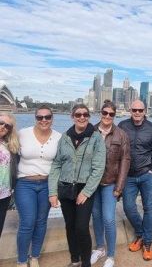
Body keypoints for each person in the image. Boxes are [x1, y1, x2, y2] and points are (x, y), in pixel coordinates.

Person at [48, 104, 106, 267]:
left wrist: (86, 191)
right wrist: (52, 192)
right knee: (70, 226)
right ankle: (75, 260)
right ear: (72, 116)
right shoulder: (65, 137)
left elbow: (98, 168)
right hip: (66, 186)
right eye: (78, 114)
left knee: (81, 227)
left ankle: (86, 263)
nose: (82, 117)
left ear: (89, 116)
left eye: (85, 114)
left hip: (84, 188)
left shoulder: (96, 138)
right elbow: (56, 165)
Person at [15, 105, 61, 267]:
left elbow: (61, 163)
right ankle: (21, 260)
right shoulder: (22, 134)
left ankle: (34, 256)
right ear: (35, 118)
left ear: (52, 118)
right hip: (25, 184)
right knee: (27, 222)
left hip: (47, 184)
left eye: (47, 117)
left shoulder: (59, 137)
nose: (44, 120)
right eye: (40, 117)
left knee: (41, 222)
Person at [118, 99, 152, 261]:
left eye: (140, 110)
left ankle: (147, 244)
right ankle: (142, 234)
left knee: (149, 208)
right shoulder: (122, 126)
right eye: (134, 110)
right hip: (128, 176)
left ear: (145, 111)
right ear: (130, 110)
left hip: (147, 175)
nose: (137, 113)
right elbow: (115, 147)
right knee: (128, 207)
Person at [90, 100, 130, 267]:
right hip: (92, 184)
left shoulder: (121, 135)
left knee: (108, 218)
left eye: (111, 114)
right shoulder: (90, 131)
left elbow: (125, 161)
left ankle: (111, 255)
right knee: (96, 217)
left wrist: (119, 187)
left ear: (114, 115)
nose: (107, 116)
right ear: (101, 113)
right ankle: (100, 248)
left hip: (110, 183)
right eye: (104, 113)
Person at [0, 112, 20, 238]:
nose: (3, 127)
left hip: (4, 194)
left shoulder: (8, 145)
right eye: (1, 123)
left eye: (7, 126)